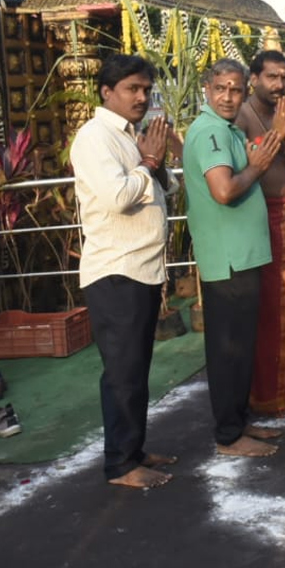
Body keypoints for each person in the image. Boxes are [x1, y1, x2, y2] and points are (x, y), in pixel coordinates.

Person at [71, 54, 179, 490]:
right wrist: (148, 162)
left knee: (136, 369)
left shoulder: (130, 136)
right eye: (133, 89)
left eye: (146, 89)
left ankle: (133, 449)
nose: (142, 97)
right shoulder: (95, 138)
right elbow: (119, 198)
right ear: (107, 92)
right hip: (116, 272)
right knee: (122, 372)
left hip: (141, 268)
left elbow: (162, 188)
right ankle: (120, 464)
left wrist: (160, 157)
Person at [184, 59, 283, 457]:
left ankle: (238, 421)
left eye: (236, 89)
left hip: (241, 256)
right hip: (227, 259)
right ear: (207, 89)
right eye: (221, 88)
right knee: (228, 350)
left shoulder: (224, 129)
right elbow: (223, 191)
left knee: (241, 346)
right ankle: (228, 435)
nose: (228, 97)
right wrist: (257, 168)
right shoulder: (210, 131)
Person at [236, 50, 285, 415]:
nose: (279, 85)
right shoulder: (240, 116)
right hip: (258, 216)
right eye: (271, 77)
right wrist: (273, 139)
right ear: (254, 79)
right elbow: (239, 170)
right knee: (270, 307)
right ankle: (266, 395)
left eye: (284, 78)